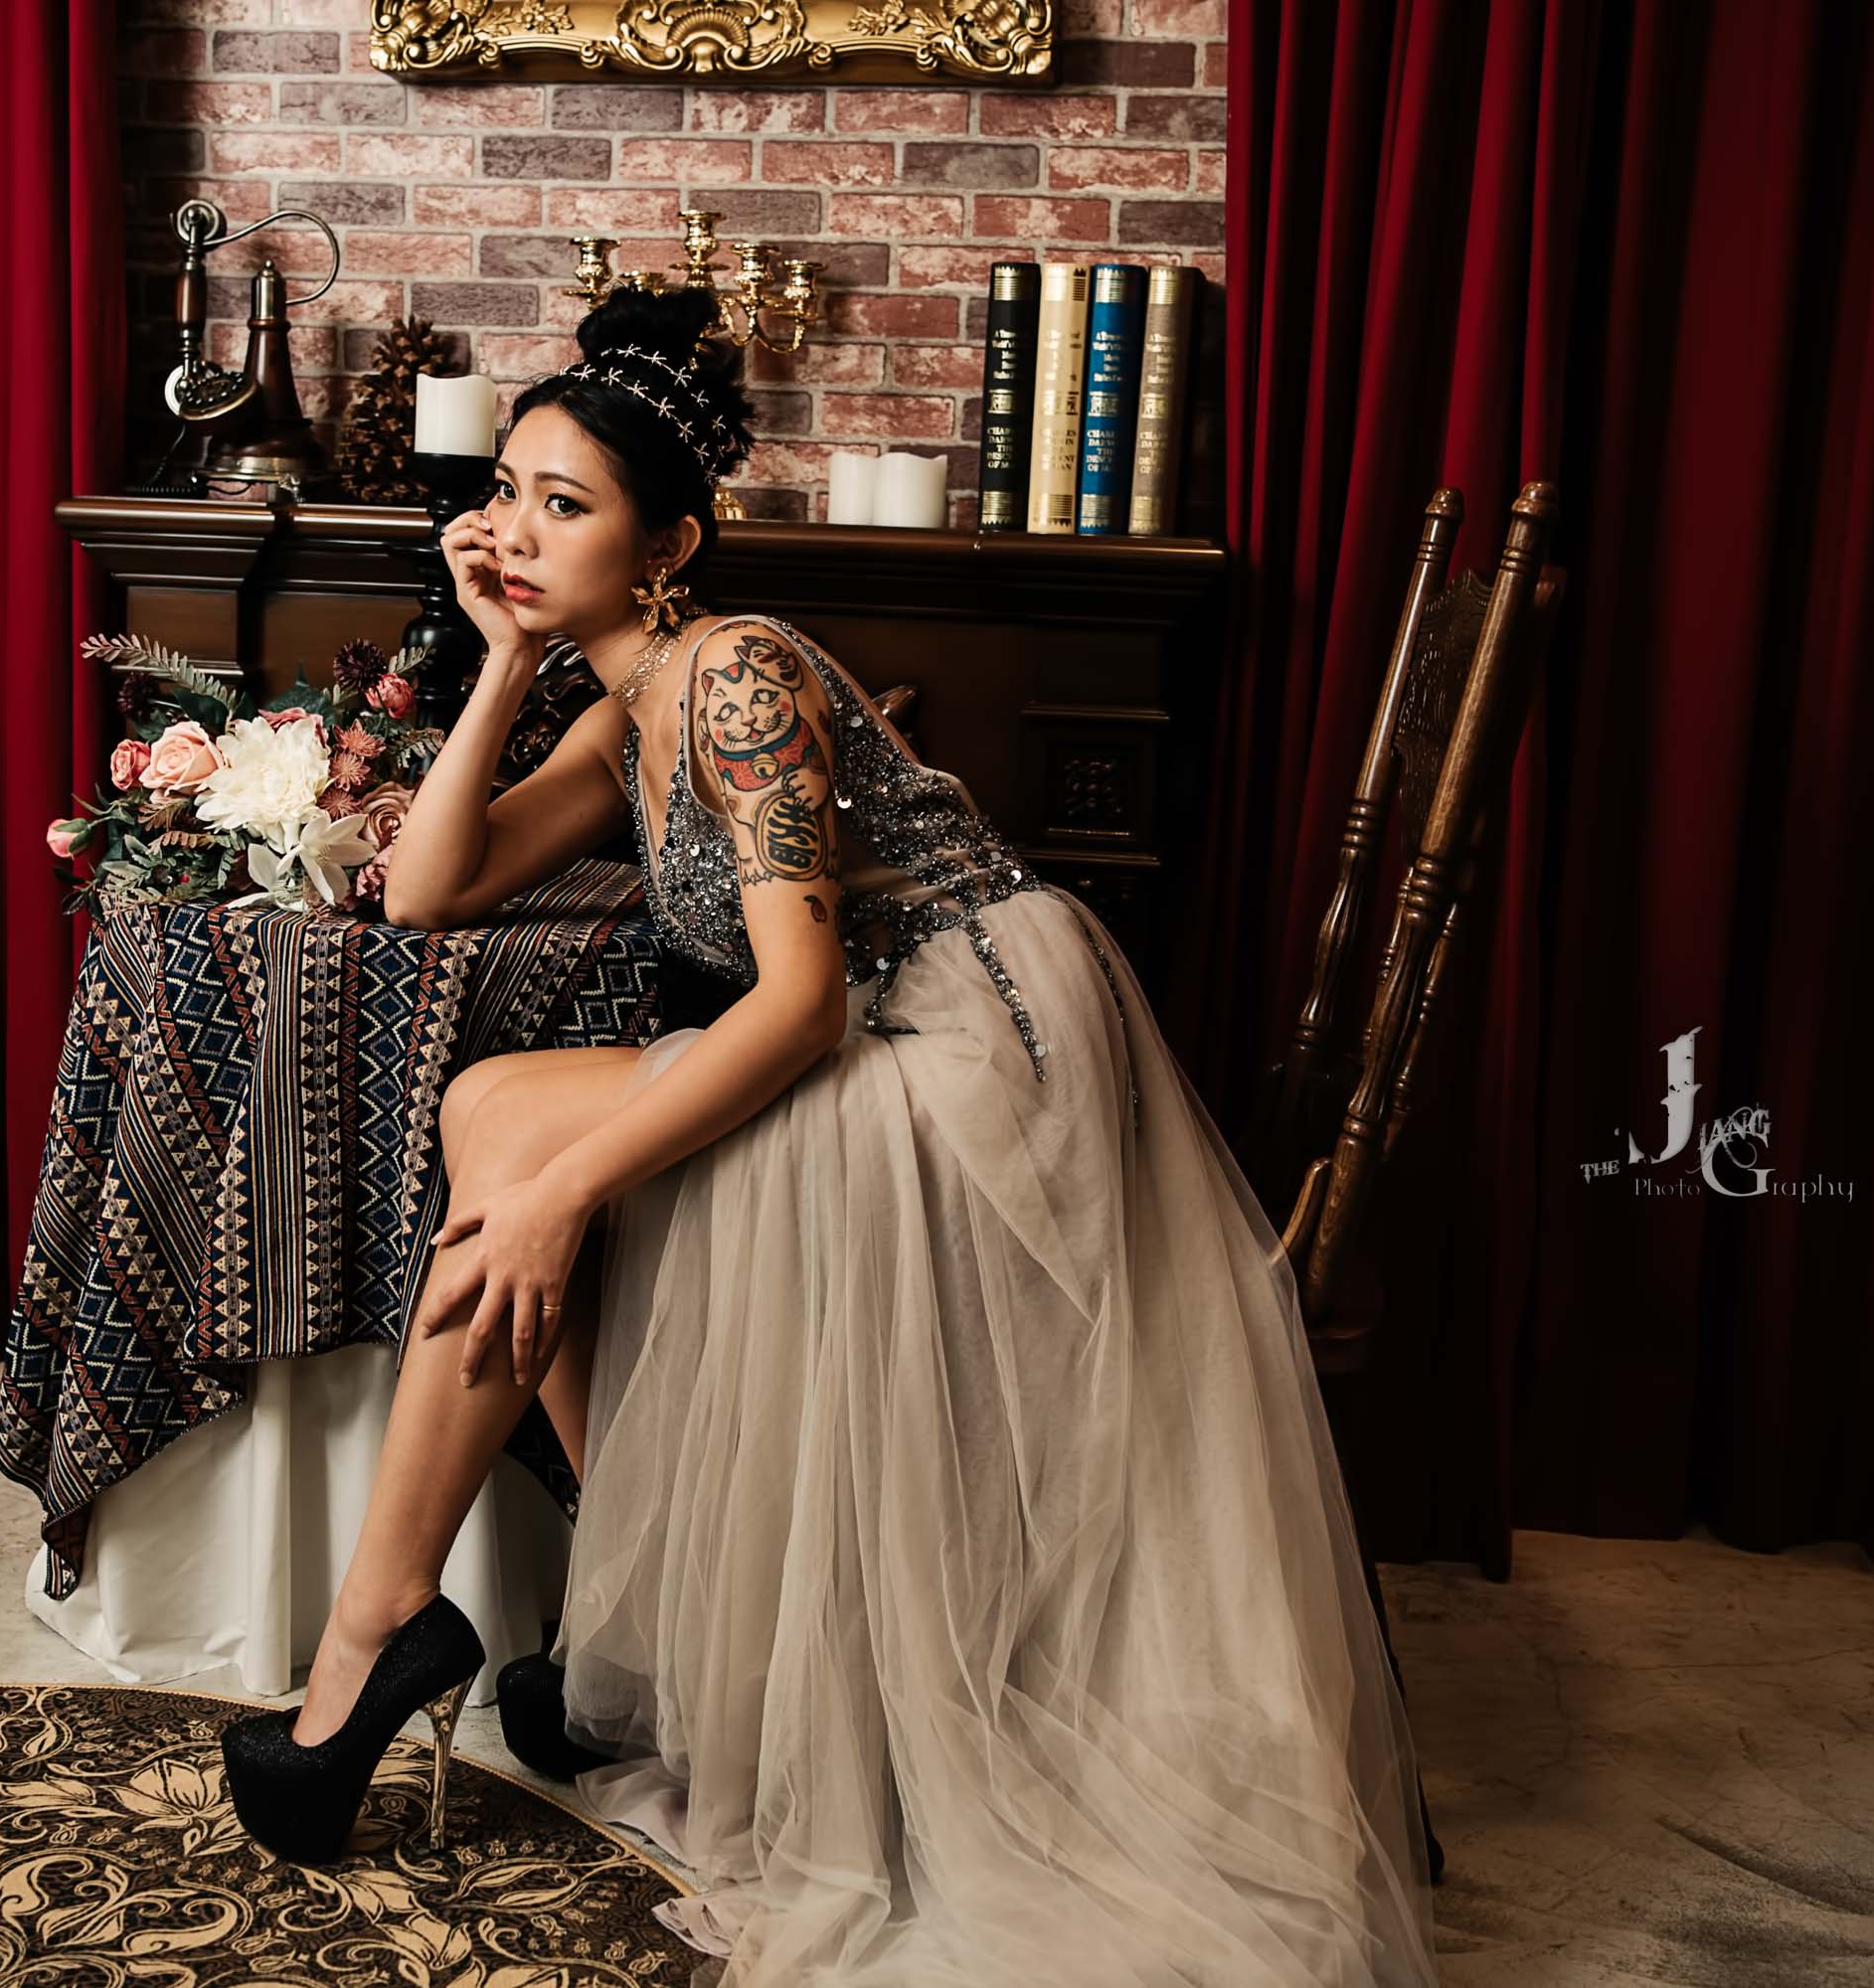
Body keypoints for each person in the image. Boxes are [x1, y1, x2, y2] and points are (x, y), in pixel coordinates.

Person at [220, 284, 1440, 1985]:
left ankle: (394, 1635)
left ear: (669, 546)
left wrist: (572, 1191)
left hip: (973, 1055)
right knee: (495, 1110)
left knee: (518, 1143)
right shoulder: (620, 706)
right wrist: (499, 658)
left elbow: (800, 1008)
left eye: (566, 505)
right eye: (506, 492)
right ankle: (573, 1634)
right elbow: (429, 891)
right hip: (881, 1031)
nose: (516, 530)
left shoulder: (734, 672)